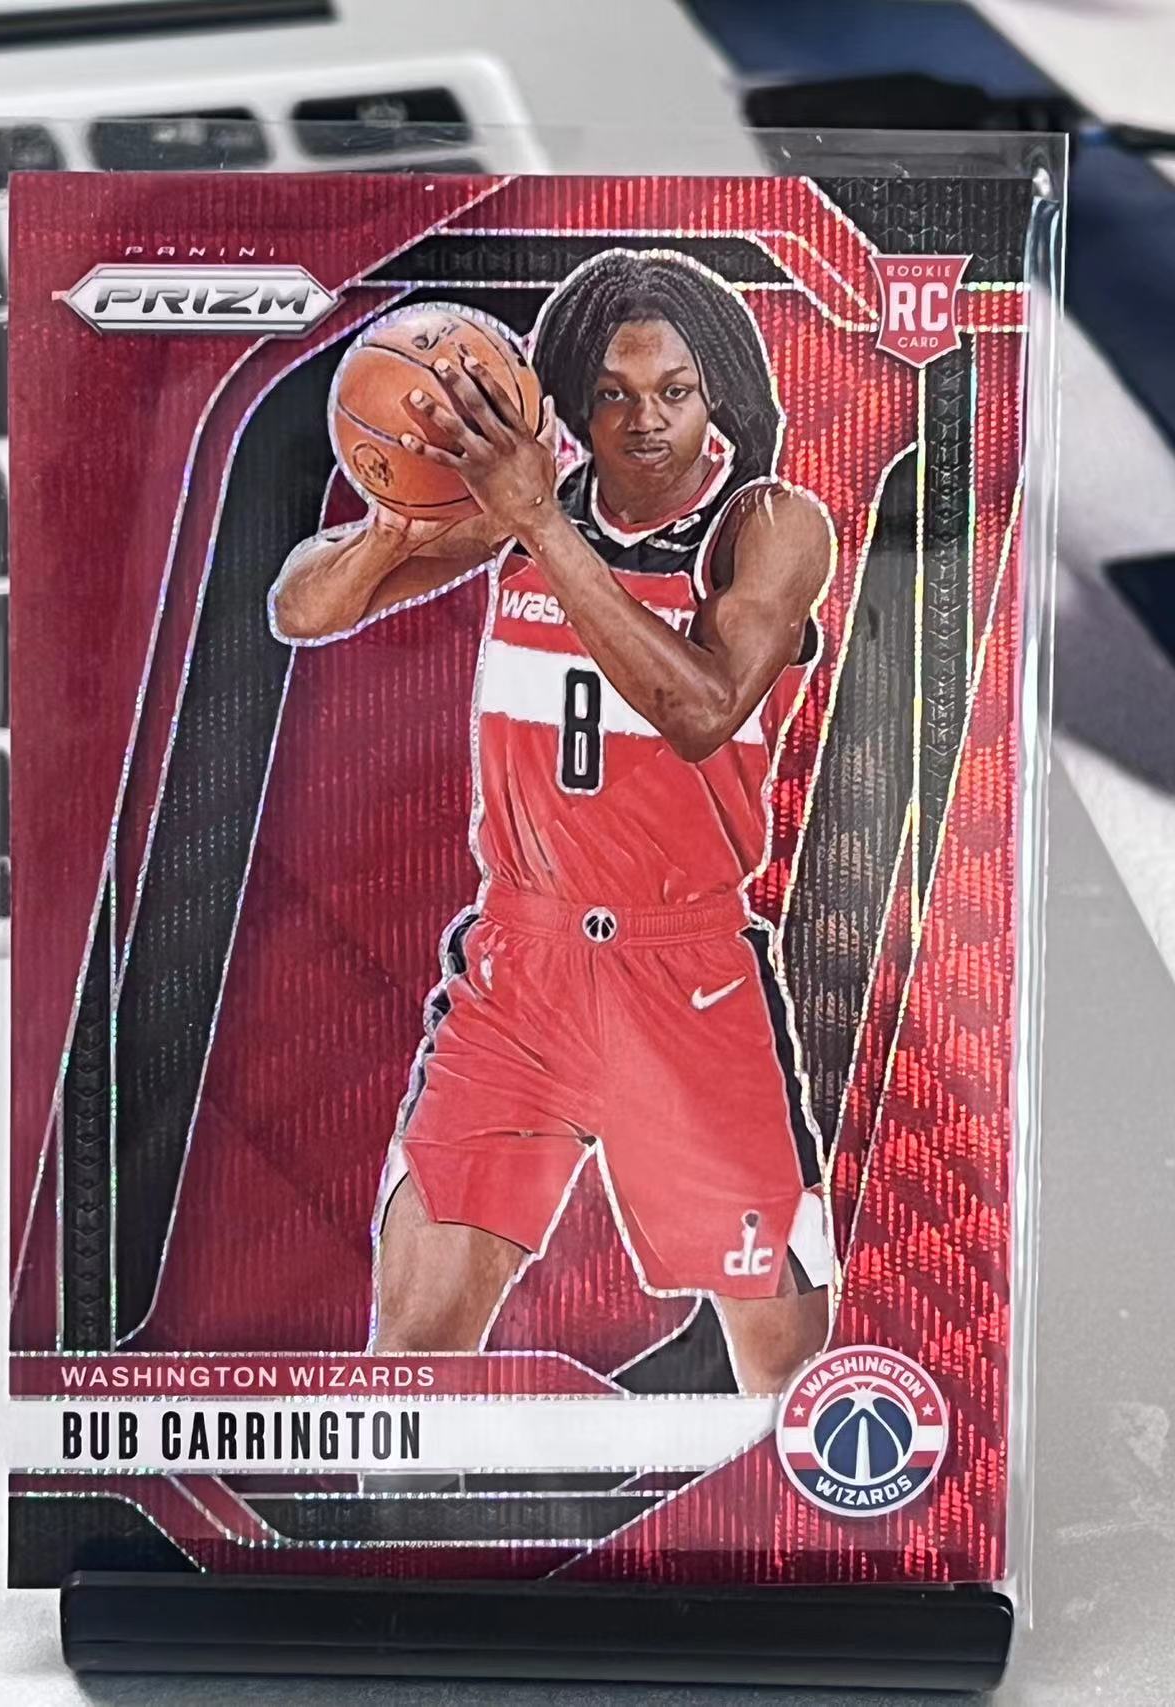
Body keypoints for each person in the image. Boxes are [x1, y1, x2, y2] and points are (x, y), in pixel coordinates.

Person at [270, 250, 835, 1395]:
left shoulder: (767, 523)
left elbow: (700, 711)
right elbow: (300, 610)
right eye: (614, 394)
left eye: (673, 389)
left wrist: (533, 520)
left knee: (785, 1382)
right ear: (573, 403)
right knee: (411, 1356)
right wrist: (399, 520)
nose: (645, 419)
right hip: (517, 972)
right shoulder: (529, 510)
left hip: (683, 975)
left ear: (716, 394)